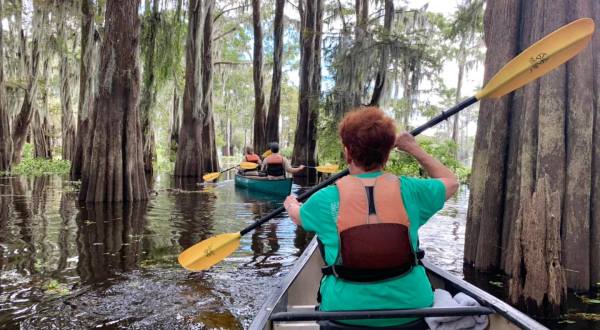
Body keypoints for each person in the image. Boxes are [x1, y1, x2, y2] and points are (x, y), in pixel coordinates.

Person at [283, 107, 458, 329]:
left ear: (347, 152)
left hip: (344, 315)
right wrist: (412, 147)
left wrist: (291, 204)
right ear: (387, 153)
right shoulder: (412, 191)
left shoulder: (324, 199)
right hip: (411, 313)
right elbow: (451, 182)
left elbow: (298, 217)